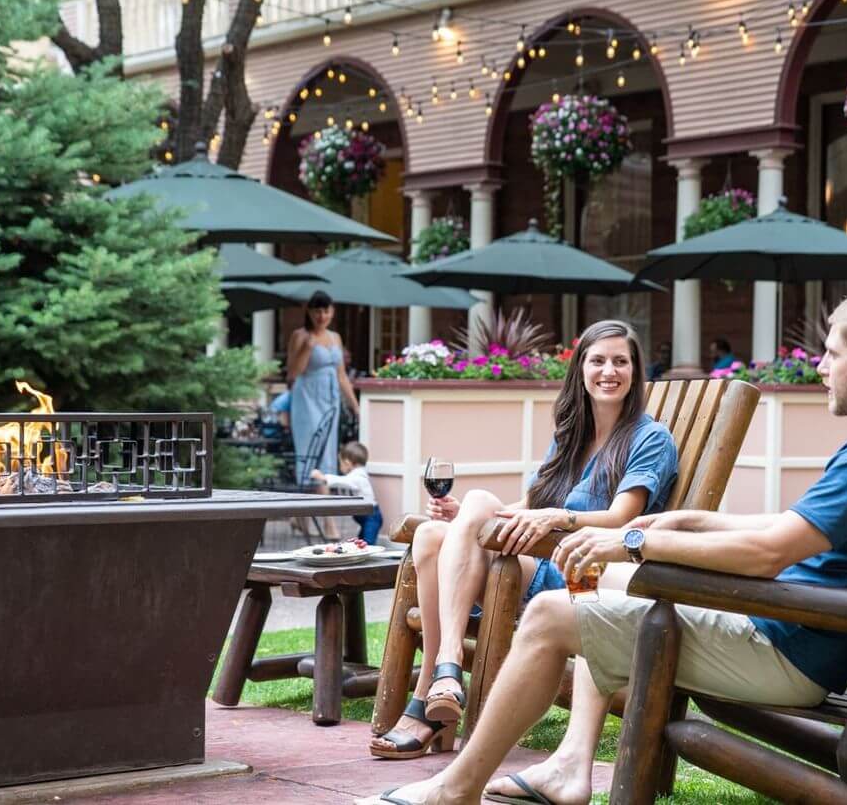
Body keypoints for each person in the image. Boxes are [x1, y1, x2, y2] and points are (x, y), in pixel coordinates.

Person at [360, 294, 847, 805]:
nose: (822, 367)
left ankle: (456, 788)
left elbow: (769, 554)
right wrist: (694, 520)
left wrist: (633, 538)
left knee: (547, 614)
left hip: (786, 646)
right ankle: (570, 764)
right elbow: (788, 528)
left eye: (833, 354)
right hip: (791, 627)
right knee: (595, 584)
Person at [368, 320, 678, 768]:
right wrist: (463, 520)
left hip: (582, 574)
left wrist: (560, 516)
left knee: (466, 514)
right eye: (598, 360)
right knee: (436, 533)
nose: (608, 371)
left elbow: (622, 516)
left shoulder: (650, 438)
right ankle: (446, 675)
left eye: (620, 361)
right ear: (581, 370)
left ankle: (433, 686)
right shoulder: (571, 435)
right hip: (540, 563)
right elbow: (527, 505)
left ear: (635, 372)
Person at [287, 291, 360, 488]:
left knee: (328, 449)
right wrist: (308, 348)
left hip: (330, 398)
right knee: (311, 449)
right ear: (309, 312)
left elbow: (342, 375)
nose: (322, 316)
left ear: (332, 312)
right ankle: (323, 515)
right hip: (307, 397)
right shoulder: (300, 336)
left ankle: (301, 514)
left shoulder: (335, 338)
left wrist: (355, 406)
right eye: (317, 311)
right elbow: (293, 373)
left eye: (326, 311)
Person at [311, 440, 383, 545]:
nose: (340, 467)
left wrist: (323, 478)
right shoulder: (357, 475)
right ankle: (363, 556)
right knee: (361, 542)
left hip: (371, 517)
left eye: (340, 463)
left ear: (347, 463)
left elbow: (343, 482)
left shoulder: (358, 477)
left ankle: (372, 558)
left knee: (367, 544)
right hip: (366, 517)